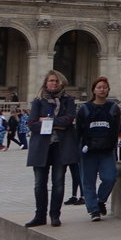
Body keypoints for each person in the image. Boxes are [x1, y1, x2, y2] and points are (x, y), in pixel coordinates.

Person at [26, 70, 80, 227]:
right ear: (46, 83)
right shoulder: (38, 101)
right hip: (41, 148)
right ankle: (39, 216)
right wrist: (57, 123)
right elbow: (32, 124)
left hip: (60, 147)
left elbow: (69, 120)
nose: (54, 83)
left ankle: (55, 215)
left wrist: (46, 121)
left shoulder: (68, 100)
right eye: (51, 80)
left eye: (56, 81)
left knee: (58, 182)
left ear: (61, 83)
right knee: (39, 184)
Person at [76, 76, 121, 221]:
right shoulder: (84, 108)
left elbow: (117, 128)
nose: (102, 89)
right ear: (94, 90)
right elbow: (78, 130)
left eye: (105, 87)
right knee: (88, 181)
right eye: (99, 87)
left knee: (110, 178)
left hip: (107, 150)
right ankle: (93, 210)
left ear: (108, 90)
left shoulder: (113, 108)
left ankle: (100, 200)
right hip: (88, 150)